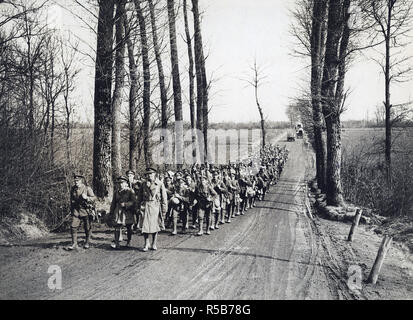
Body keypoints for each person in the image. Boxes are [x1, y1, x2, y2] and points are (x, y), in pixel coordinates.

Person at [136, 167, 168, 251]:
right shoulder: (143, 184)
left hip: (155, 206)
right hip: (145, 206)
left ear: (154, 174)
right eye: (147, 174)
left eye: (151, 174)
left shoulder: (159, 184)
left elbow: (164, 198)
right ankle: (146, 243)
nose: (149, 175)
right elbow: (139, 197)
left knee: (155, 226)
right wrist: (137, 207)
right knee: (145, 226)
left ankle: (154, 243)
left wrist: (164, 210)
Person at [67, 174, 96, 250]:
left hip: (85, 210)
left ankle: (87, 242)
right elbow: (71, 199)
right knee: (73, 226)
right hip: (76, 210)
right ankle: (74, 243)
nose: (76, 182)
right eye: (75, 181)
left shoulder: (87, 188)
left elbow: (94, 198)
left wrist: (87, 198)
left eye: (78, 181)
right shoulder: (73, 189)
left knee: (87, 227)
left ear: (81, 181)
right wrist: (72, 209)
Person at [109, 176, 136, 249]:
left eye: (122, 183)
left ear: (126, 183)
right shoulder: (116, 192)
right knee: (117, 227)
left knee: (129, 226)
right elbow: (113, 203)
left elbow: (134, 201)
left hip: (127, 211)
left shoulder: (130, 191)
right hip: (118, 211)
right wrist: (111, 212)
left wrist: (126, 204)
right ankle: (117, 243)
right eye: (119, 183)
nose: (120, 184)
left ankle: (129, 241)